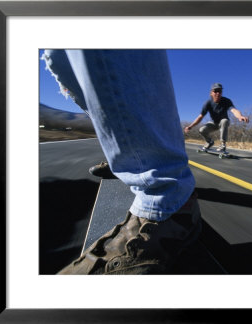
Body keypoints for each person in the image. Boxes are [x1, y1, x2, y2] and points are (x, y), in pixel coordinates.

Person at [42, 50, 201, 274]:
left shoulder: (224, 102)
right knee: (65, 58)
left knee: (103, 47)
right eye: (213, 91)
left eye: (217, 91)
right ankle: (130, 153)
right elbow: (201, 116)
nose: (215, 93)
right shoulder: (208, 106)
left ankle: (168, 201)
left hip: (216, 125)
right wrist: (193, 125)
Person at [184, 83, 249, 152]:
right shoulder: (208, 103)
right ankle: (209, 142)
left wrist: (240, 116)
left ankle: (222, 144)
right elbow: (200, 117)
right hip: (214, 123)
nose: (218, 93)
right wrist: (190, 126)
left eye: (220, 91)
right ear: (211, 93)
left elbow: (234, 110)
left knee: (224, 121)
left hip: (223, 122)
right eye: (215, 91)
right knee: (202, 130)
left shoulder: (226, 101)